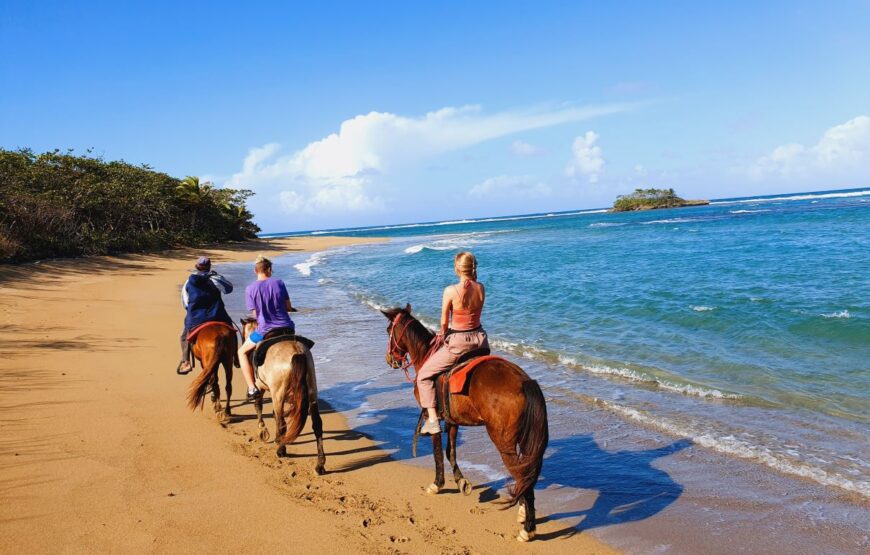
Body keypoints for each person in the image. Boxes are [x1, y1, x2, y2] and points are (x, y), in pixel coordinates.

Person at [417, 251, 489, 435]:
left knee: (423, 375)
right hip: (481, 342)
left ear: (457, 268)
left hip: (459, 343)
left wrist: (443, 334)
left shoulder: (450, 291)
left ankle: (433, 420)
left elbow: (443, 322)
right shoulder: (481, 287)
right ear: (473, 267)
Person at [239, 255, 296, 400]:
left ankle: (252, 388)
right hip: (287, 327)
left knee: (242, 352)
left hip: (264, 331)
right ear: (269, 269)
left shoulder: (250, 289)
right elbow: (288, 307)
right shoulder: (279, 283)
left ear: (255, 271)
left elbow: (256, 314)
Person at [178, 256, 234, 374]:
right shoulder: (215, 278)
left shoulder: (189, 281)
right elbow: (229, 289)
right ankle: (236, 357)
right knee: (232, 329)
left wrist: (192, 311)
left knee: (184, 336)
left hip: (197, 317)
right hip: (217, 314)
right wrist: (216, 277)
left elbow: (185, 301)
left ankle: (185, 362)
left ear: (196, 266)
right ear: (209, 266)